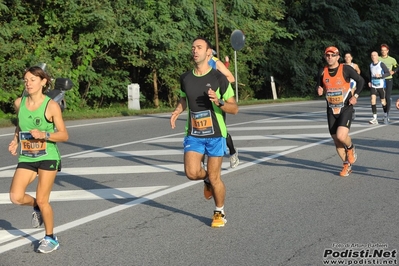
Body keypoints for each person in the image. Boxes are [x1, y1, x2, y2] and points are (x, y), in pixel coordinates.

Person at [170, 37, 238, 227]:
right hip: (194, 133)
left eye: (199, 47)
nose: (195, 50)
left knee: (216, 177)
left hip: (216, 134)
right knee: (191, 173)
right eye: (193, 47)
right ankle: (206, 178)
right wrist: (177, 110)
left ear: (209, 53)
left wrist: (219, 101)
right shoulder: (186, 78)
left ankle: (219, 211)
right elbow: (184, 99)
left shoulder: (219, 78)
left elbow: (234, 108)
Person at [8, 66, 69, 253]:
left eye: (33, 80)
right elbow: (20, 124)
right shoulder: (20, 102)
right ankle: (34, 205)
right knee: (16, 197)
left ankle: (51, 237)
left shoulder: (51, 106)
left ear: (43, 82)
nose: (28, 83)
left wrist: (44, 134)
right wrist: (15, 139)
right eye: (26, 80)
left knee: (44, 200)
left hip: (48, 156)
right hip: (27, 155)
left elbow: (64, 135)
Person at [316, 46, 365, 177]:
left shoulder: (346, 69)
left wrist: (355, 96)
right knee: (336, 140)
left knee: (341, 136)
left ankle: (350, 148)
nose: (330, 58)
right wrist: (319, 89)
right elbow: (319, 85)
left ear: (338, 57)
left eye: (333, 55)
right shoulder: (322, 71)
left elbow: (361, 81)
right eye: (327, 55)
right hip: (331, 109)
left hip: (346, 107)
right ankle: (346, 165)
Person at [208, 51, 239, 168]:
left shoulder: (216, 63)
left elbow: (231, 78)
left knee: (221, 130)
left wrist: (217, 85)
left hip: (217, 99)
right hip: (203, 99)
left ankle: (232, 152)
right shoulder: (199, 64)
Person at [368, 51, 391, 125]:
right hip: (373, 85)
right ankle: (375, 118)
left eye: (374, 55)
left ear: (377, 56)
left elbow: (388, 73)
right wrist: (369, 81)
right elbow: (370, 74)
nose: (373, 56)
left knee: (383, 102)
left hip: (381, 85)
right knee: (372, 100)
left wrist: (381, 75)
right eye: (372, 55)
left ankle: (385, 115)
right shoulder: (371, 65)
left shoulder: (381, 64)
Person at [379, 44, 398, 121]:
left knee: (387, 96)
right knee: (382, 97)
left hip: (389, 79)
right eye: (382, 50)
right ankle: (385, 112)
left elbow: (397, 67)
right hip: (380, 80)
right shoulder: (378, 58)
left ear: (387, 51)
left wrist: (394, 71)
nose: (383, 52)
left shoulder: (392, 59)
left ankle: (387, 114)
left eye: (385, 50)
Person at [344, 52, 361, 121]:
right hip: (345, 84)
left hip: (352, 83)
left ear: (351, 58)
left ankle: (351, 111)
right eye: (346, 57)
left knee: (350, 97)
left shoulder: (354, 65)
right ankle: (348, 110)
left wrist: (355, 76)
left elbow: (359, 71)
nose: (347, 58)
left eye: (349, 57)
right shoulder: (342, 65)